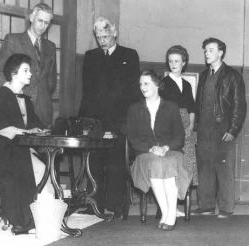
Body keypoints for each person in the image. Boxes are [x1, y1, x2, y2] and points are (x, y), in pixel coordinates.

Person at [78, 17, 140, 218]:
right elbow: (87, 90)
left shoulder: (129, 55)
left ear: (114, 33)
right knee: (93, 162)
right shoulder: (90, 56)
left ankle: (117, 206)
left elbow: (132, 92)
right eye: (98, 36)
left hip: (119, 121)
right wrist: (84, 120)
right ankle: (94, 204)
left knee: (116, 164)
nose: (102, 40)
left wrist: (125, 122)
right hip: (95, 120)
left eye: (105, 36)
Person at [0, 54, 53, 235]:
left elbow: (35, 124)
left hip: (23, 149)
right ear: (14, 73)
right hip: (5, 152)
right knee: (39, 169)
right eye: (26, 70)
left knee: (43, 168)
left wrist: (41, 130)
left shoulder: (25, 99)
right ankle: (26, 217)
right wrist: (26, 132)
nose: (30, 74)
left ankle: (42, 215)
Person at [127, 70, 189, 230]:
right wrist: (150, 148)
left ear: (157, 85)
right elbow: (133, 138)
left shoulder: (171, 107)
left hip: (171, 151)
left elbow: (179, 137)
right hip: (145, 153)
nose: (142, 87)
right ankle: (168, 212)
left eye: (146, 83)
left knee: (168, 162)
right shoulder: (134, 109)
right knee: (156, 163)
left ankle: (169, 215)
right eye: (140, 84)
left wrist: (166, 147)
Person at [193, 37, 246, 219]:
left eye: (211, 50)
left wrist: (233, 130)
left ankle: (226, 208)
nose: (207, 53)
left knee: (224, 169)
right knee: (204, 168)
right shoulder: (203, 75)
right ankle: (206, 205)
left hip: (223, 129)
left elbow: (240, 106)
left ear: (221, 52)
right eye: (205, 50)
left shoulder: (232, 75)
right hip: (204, 130)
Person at [0, 3, 56, 128]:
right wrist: (14, 96)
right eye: (40, 20)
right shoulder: (13, 40)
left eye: (47, 23)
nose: (43, 26)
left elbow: (51, 82)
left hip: (43, 111)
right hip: (16, 109)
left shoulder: (51, 47)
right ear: (31, 17)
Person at [160, 45, 198, 188]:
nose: (173, 64)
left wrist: (191, 125)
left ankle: (183, 201)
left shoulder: (187, 85)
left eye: (177, 61)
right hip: (170, 125)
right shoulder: (163, 84)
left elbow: (192, 107)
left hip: (187, 125)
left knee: (187, 164)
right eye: (170, 61)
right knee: (171, 164)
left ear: (184, 62)